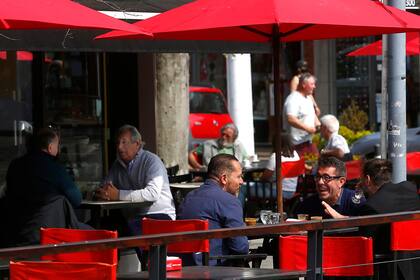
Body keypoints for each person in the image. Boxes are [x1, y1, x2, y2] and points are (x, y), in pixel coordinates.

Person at [323, 159, 420, 280]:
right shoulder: (409, 188)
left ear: (368, 180)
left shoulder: (372, 206)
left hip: (390, 269)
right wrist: (344, 218)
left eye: (361, 179)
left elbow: (362, 240)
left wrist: (341, 222)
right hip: (416, 263)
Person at [0, 127, 89, 247]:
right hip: (48, 235)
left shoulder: (15, 165)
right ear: (50, 147)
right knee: (95, 235)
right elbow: (76, 199)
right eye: (57, 145)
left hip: (13, 234)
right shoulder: (55, 168)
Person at [94, 125, 176, 236]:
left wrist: (118, 195)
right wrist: (103, 193)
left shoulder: (151, 161)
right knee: (99, 229)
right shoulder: (117, 165)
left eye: (124, 142)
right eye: (118, 143)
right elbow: (105, 187)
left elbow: (152, 194)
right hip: (133, 218)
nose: (119, 147)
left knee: (132, 227)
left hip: (159, 215)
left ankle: (150, 254)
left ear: (137, 144)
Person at [178, 154, 249, 265]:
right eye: (239, 176)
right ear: (224, 178)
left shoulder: (188, 198)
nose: (241, 182)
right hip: (215, 268)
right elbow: (240, 247)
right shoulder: (229, 201)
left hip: (186, 267)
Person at [295, 156, 365, 218]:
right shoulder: (308, 205)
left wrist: (340, 218)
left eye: (326, 177)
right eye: (318, 177)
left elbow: (367, 225)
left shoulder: (356, 201)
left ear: (341, 182)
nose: (320, 182)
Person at [284, 73, 321, 157]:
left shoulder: (308, 98)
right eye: (312, 84)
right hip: (297, 145)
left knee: (316, 165)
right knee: (303, 168)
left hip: (308, 142)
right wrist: (308, 128)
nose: (314, 87)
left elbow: (312, 115)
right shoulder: (293, 99)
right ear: (303, 85)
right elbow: (291, 119)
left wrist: (318, 125)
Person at [260, 133, 300, 199]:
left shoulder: (276, 156)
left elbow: (265, 177)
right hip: (292, 191)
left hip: (277, 191)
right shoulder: (295, 155)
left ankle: (239, 208)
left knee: (244, 188)